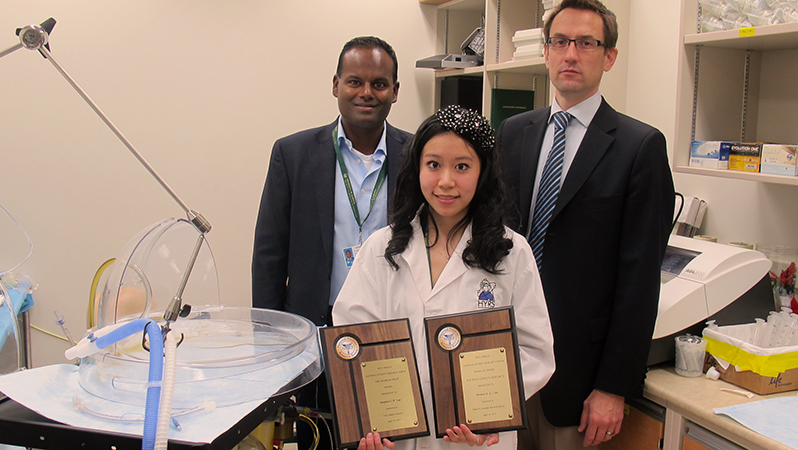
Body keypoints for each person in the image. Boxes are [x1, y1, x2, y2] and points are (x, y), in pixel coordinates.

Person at [496, 1, 676, 448]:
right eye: (560, 42)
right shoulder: (514, 131)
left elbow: (638, 281)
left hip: (576, 376)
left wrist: (614, 386)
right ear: (546, 51)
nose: (570, 54)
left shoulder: (640, 147)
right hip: (501, 363)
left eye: (586, 43)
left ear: (609, 56)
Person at [333, 105, 556, 450]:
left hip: (475, 439)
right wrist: (369, 421)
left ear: (483, 172)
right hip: (398, 437)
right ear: (417, 168)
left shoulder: (512, 252)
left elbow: (534, 350)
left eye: (462, 166)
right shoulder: (382, 248)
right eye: (433, 164)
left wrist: (492, 411)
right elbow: (352, 337)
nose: (446, 181)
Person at [252, 36, 411, 449]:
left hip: (391, 336)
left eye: (379, 83)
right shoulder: (293, 154)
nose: (366, 93)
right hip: (312, 339)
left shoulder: (417, 156)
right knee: (317, 440)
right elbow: (269, 257)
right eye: (355, 81)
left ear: (395, 91)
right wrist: (270, 350)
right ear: (335, 84)